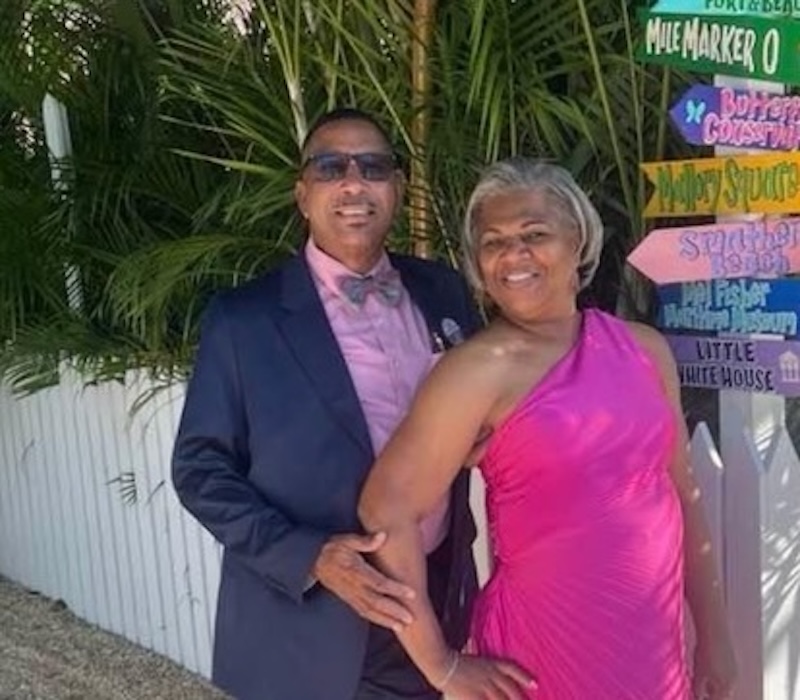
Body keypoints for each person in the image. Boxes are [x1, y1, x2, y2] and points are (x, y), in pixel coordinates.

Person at [358, 158, 738, 700]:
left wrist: (716, 635)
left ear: (578, 241)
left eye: (534, 233)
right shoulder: (478, 368)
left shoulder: (645, 348)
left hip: (649, 648)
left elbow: (683, 495)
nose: (513, 253)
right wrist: (439, 665)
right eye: (492, 241)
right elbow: (385, 507)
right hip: (540, 655)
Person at [172, 108, 482, 700]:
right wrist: (311, 558)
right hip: (308, 621)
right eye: (330, 166)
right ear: (303, 194)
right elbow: (199, 469)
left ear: (397, 188)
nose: (353, 183)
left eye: (373, 166)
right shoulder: (245, 320)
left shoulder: (442, 291)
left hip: (432, 601)